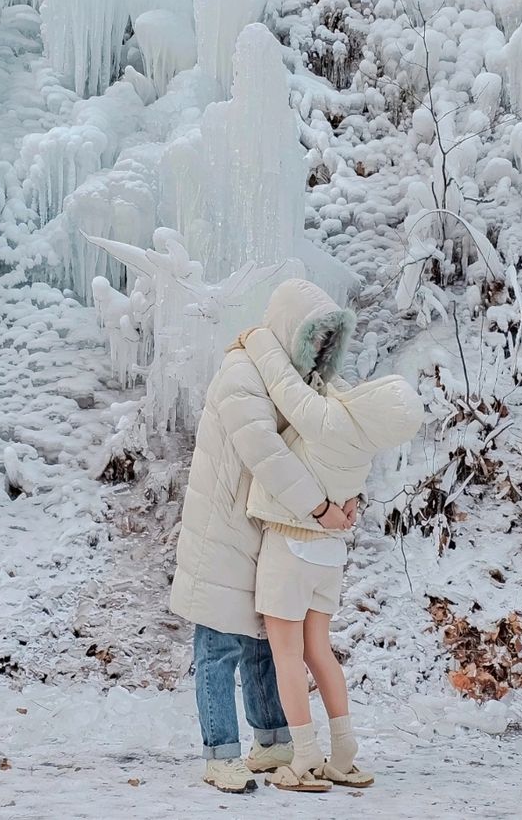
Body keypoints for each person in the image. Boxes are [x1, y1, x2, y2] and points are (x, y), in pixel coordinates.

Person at [169, 278, 358, 794]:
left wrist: (347, 492)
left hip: (264, 527)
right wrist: (320, 508)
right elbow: (266, 454)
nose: (318, 350)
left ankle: (272, 740)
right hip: (222, 526)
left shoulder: (289, 383)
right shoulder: (241, 375)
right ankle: (220, 752)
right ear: (289, 329)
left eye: (327, 342)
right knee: (218, 644)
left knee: (262, 642)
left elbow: (325, 446)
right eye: (312, 337)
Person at [237, 324, 424, 792]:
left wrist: (258, 338)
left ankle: (303, 758)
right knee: (320, 652)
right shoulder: (363, 442)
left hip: (291, 543)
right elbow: (333, 390)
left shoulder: (328, 420)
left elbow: (284, 385)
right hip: (328, 557)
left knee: (286, 654)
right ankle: (344, 754)